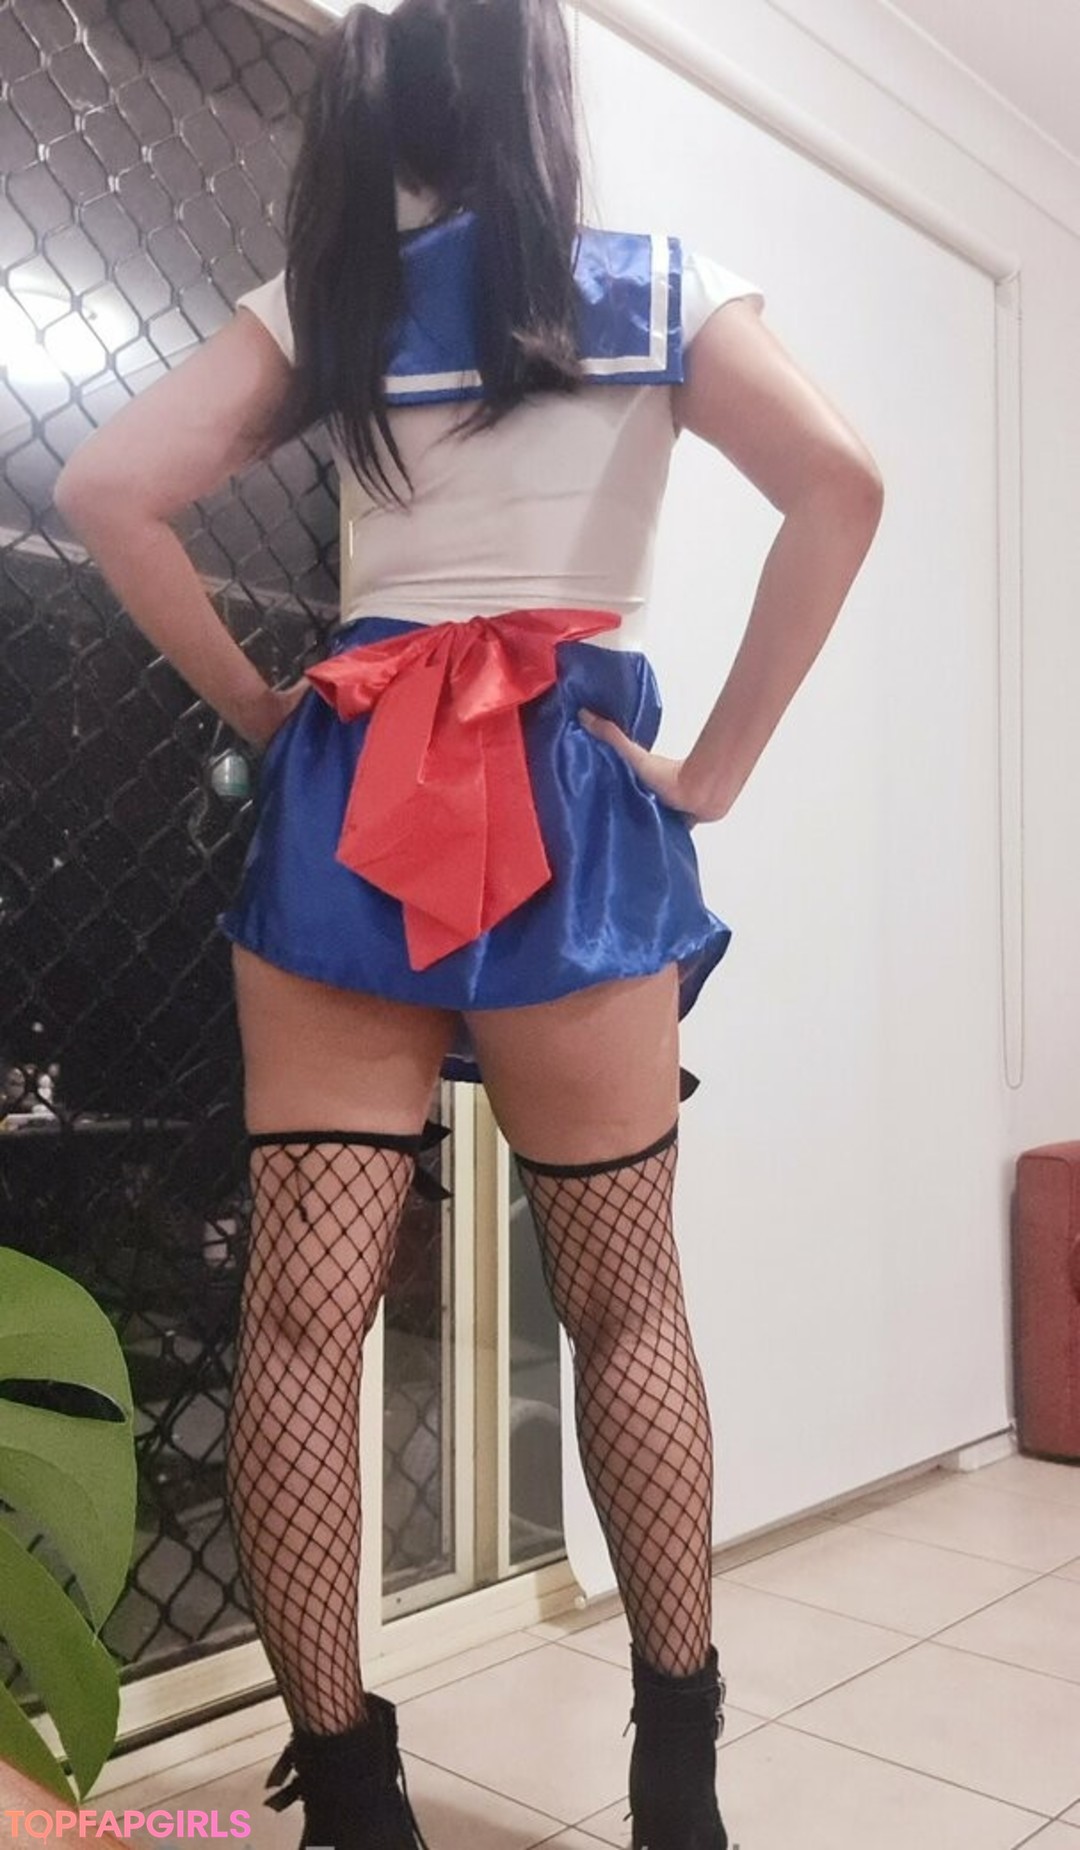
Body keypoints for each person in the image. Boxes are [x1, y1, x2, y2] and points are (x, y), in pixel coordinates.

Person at [54, 0, 884, 1843]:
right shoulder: (656, 289)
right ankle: (678, 1777)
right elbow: (845, 484)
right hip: (572, 804)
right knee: (630, 1306)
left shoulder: (327, 307)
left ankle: (353, 1794)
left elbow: (106, 489)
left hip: (352, 804)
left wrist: (260, 703)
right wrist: (717, 768)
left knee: (298, 1327)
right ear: (538, 93)